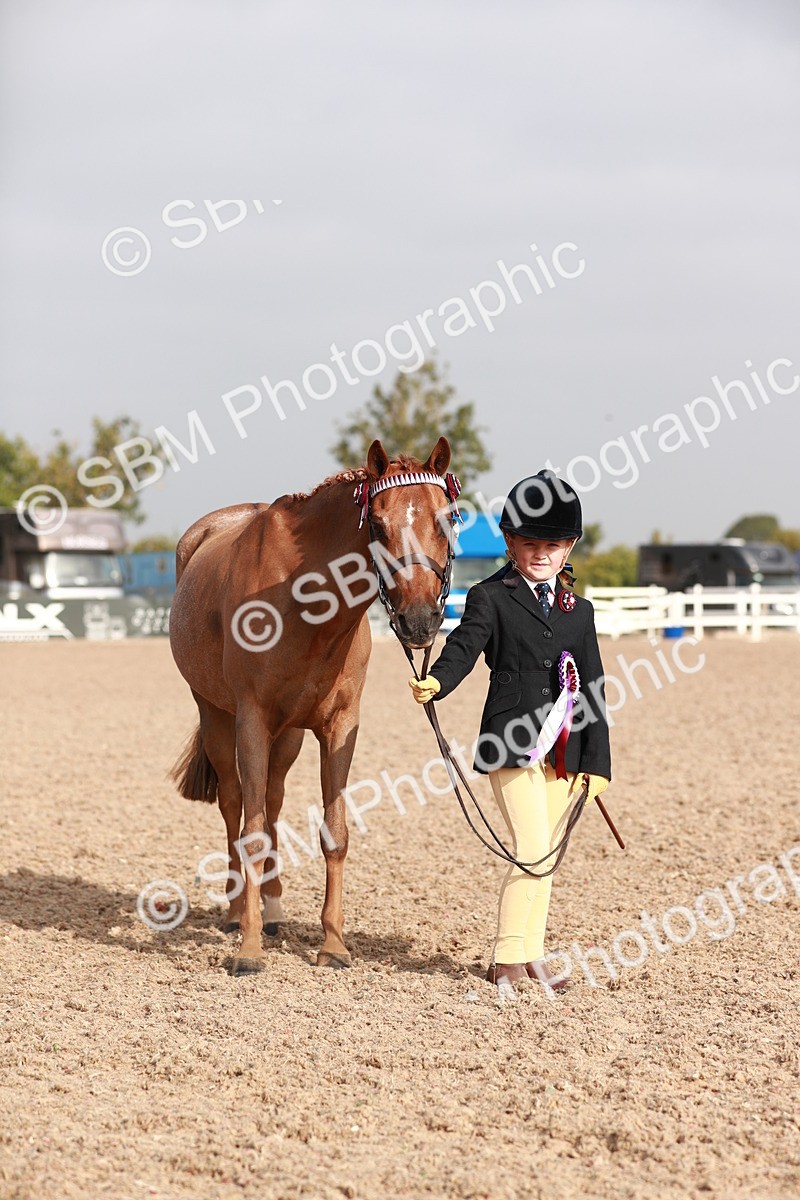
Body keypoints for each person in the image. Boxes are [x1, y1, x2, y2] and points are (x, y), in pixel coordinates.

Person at [409, 470, 611, 990]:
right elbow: (465, 647)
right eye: (529, 544)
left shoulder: (580, 612)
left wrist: (598, 764)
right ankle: (504, 959)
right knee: (530, 848)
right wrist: (437, 680)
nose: (541, 554)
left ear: (568, 548)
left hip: (566, 754)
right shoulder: (490, 596)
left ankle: (532, 955)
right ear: (510, 543)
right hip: (511, 741)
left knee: (546, 856)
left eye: (552, 544)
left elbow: (592, 688)